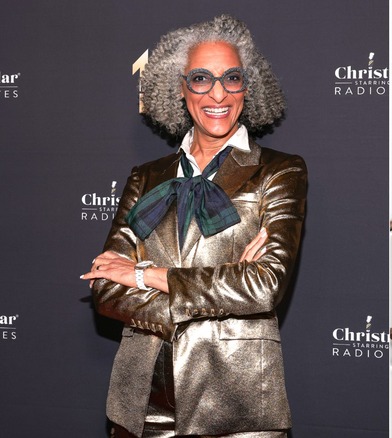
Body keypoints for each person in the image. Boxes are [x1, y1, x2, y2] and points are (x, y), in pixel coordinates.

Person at [81, 15, 306, 438]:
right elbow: (106, 287)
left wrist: (144, 275)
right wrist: (226, 287)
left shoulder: (279, 171)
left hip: (237, 403)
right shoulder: (145, 177)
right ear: (180, 89)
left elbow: (264, 285)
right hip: (140, 402)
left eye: (232, 78)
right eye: (201, 79)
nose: (218, 93)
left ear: (247, 88)